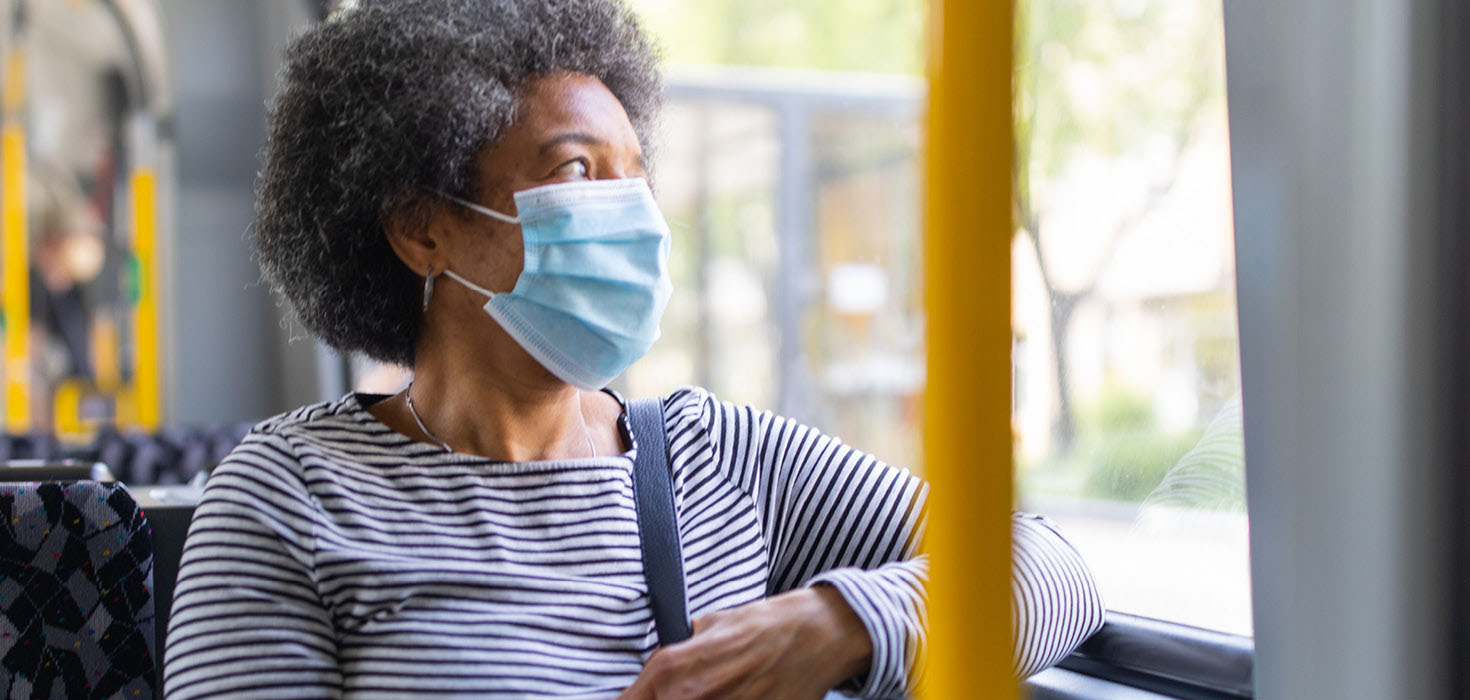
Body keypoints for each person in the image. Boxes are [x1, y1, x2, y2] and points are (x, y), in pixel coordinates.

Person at [162, 1, 1104, 698]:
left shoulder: (722, 458)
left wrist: (837, 621)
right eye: (577, 170)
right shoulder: (284, 496)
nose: (632, 217)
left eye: (635, 178)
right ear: (422, 230)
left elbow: (1052, 569)